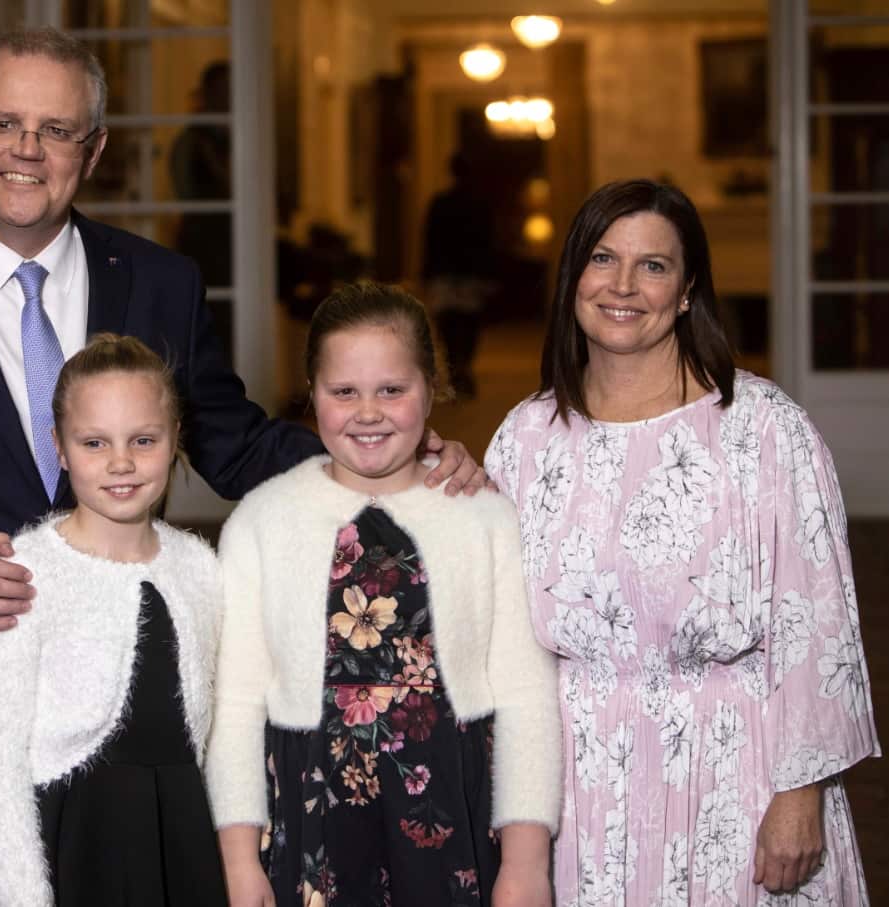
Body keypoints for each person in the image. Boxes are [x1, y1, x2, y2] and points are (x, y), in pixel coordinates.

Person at [0, 27, 482, 905]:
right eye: (4, 123)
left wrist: (389, 460)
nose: (26, 151)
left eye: (57, 130)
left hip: (128, 747)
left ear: (93, 148)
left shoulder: (159, 283)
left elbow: (234, 441)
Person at [484, 179, 880, 905]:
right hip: (576, 788)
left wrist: (800, 794)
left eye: (653, 266)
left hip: (733, 777)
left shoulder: (761, 429)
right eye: (602, 259)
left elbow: (813, 622)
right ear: (572, 275)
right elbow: (491, 624)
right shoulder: (525, 436)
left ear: (688, 289)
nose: (623, 286)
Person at [207, 282, 562, 907]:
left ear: (432, 389)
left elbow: (525, 696)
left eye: (392, 390)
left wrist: (527, 860)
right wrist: (239, 860)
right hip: (313, 818)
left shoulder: (485, 517)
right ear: (311, 394)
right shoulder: (262, 522)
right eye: (343, 391)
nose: (367, 412)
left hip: (451, 812)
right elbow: (235, 707)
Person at [0, 333, 226, 906]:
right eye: (95, 442)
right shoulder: (21, 573)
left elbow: (219, 727)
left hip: (182, 837)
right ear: (58, 446)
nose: (121, 463)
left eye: (144, 440)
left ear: (176, 440)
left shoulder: (201, 567)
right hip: (76, 842)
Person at [421, 151, 496, 398]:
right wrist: (489, 274)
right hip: (471, 273)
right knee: (469, 323)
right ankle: (463, 366)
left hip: (445, 272)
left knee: (448, 323)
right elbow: (489, 243)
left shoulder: (440, 203)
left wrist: (427, 273)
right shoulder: (481, 203)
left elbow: (430, 241)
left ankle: (457, 368)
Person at [170, 60, 232, 289]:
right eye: (222, 91)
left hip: (234, 242)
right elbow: (185, 193)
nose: (227, 99)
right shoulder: (192, 142)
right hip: (203, 243)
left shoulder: (237, 139)